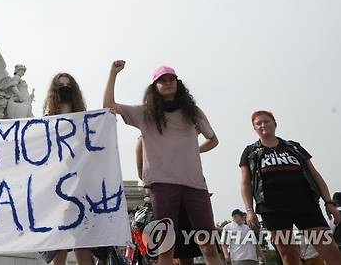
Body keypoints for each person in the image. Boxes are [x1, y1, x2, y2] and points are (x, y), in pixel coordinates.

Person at [104, 61, 222, 265]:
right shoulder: (144, 113)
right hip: (163, 186)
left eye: (171, 80)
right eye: (162, 81)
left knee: (208, 245)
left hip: (195, 186)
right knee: (166, 248)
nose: (167, 83)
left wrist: (194, 150)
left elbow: (213, 139)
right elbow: (109, 107)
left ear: (178, 83)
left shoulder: (193, 112)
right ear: (154, 87)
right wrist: (113, 74)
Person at [239, 110, 341, 265]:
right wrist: (249, 210)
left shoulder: (293, 147)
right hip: (272, 208)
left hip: (306, 204)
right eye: (258, 123)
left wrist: (328, 202)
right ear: (254, 128)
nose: (263, 125)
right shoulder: (250, 152)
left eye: (266, 121)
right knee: (289, 254)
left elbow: (315, 175)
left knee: (331, 250)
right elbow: (246, 183)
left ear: (275, 123)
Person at [39, 73, 93, 265]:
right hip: (57, 186)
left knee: (83, 241)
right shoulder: (47, 120)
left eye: (68, 85)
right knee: (59, 241)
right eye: (61, 85)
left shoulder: (86, 119)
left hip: (80, 182)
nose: (65, 88)